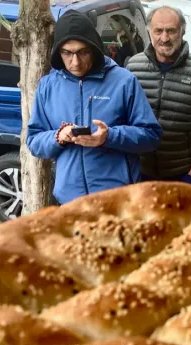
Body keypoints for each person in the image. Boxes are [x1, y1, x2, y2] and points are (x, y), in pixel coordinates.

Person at [26, 11, 162, 205]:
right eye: (67, 53)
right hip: (70, 202)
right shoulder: (47, 86)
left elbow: (151, 135)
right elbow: (33, 141)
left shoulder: (123, 81)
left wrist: (109, 137)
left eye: (83, 52)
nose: (75, 62)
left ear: (95, 48)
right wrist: (59, 136)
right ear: (58, 52)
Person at [126, 7, 191, 187]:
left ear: (182, 32)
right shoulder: (133, 67)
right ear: (149, 32)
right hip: (141, 175)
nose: (164, 38)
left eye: (171, 30)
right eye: (158, 31)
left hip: (183, 175)